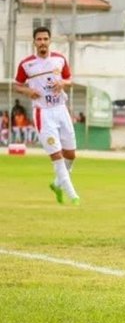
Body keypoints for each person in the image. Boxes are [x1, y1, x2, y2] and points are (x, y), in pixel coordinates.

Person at [13, 26, 79, 204]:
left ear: (50, 41)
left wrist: (63, 83)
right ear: (34, 42)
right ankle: (73, 196)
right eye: (39, 39)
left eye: (45, 39)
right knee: (56, 155)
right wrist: (29, 91)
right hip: (43, 112)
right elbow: (17, 85)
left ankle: (58, 184)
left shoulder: (59, 59)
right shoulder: (27, 64)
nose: (42, 42)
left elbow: (70, 79)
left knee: (71, 154)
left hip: (61, 109)